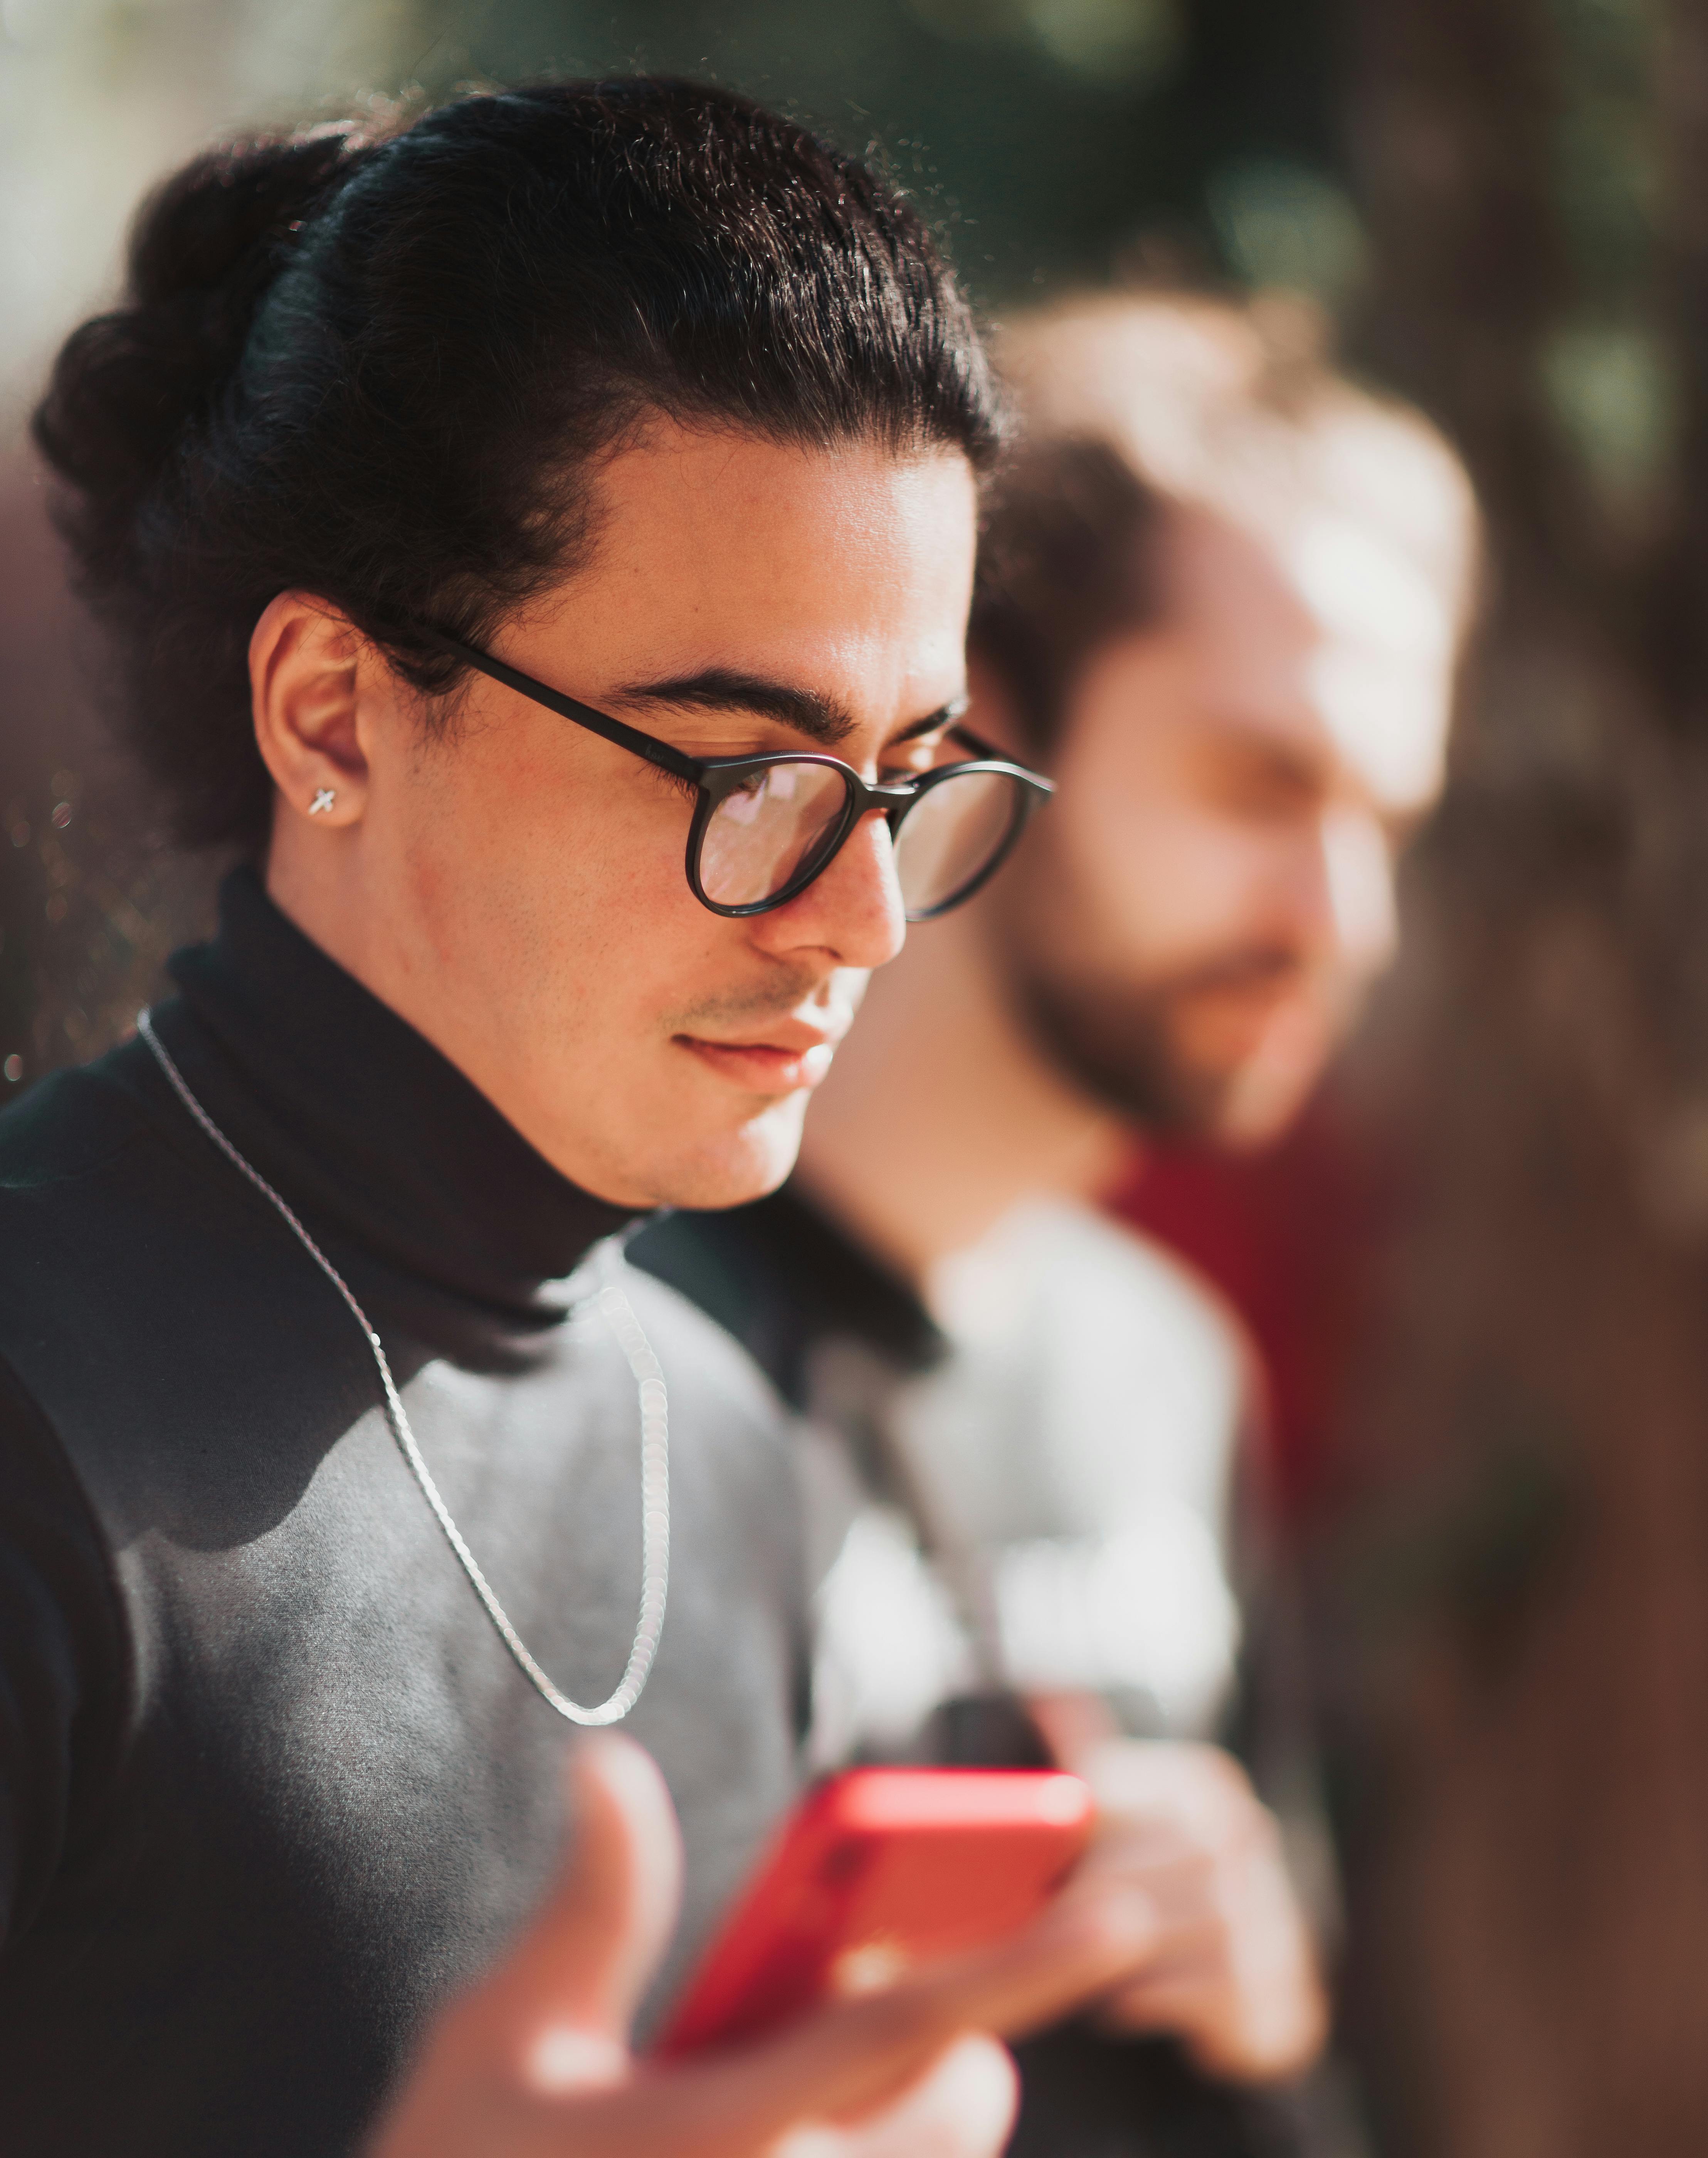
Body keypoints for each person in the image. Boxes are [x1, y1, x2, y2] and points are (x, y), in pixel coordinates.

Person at [0, 83, 1173, 2158]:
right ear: (334, 712)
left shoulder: (731, 1427)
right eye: (748, 770)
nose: (866, 916)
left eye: (908, 774)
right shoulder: (21, 1410)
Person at [632, 289, 1479, 2154]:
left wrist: (1266, 2011)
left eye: (1384, 820)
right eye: (1266, 783)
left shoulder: (1167, 1371)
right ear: (972, 737)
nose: (1347, 918)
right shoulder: (580, 1342)